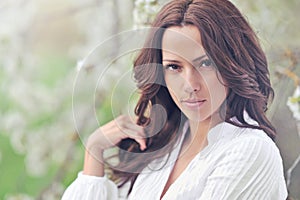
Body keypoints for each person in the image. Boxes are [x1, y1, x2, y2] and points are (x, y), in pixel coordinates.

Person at [62, 0, 288, 199]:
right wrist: (94, 151)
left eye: (206, 63)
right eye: (174, 67)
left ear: (233, 63)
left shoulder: (250, 150)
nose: (190, 85)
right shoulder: (162, 145)